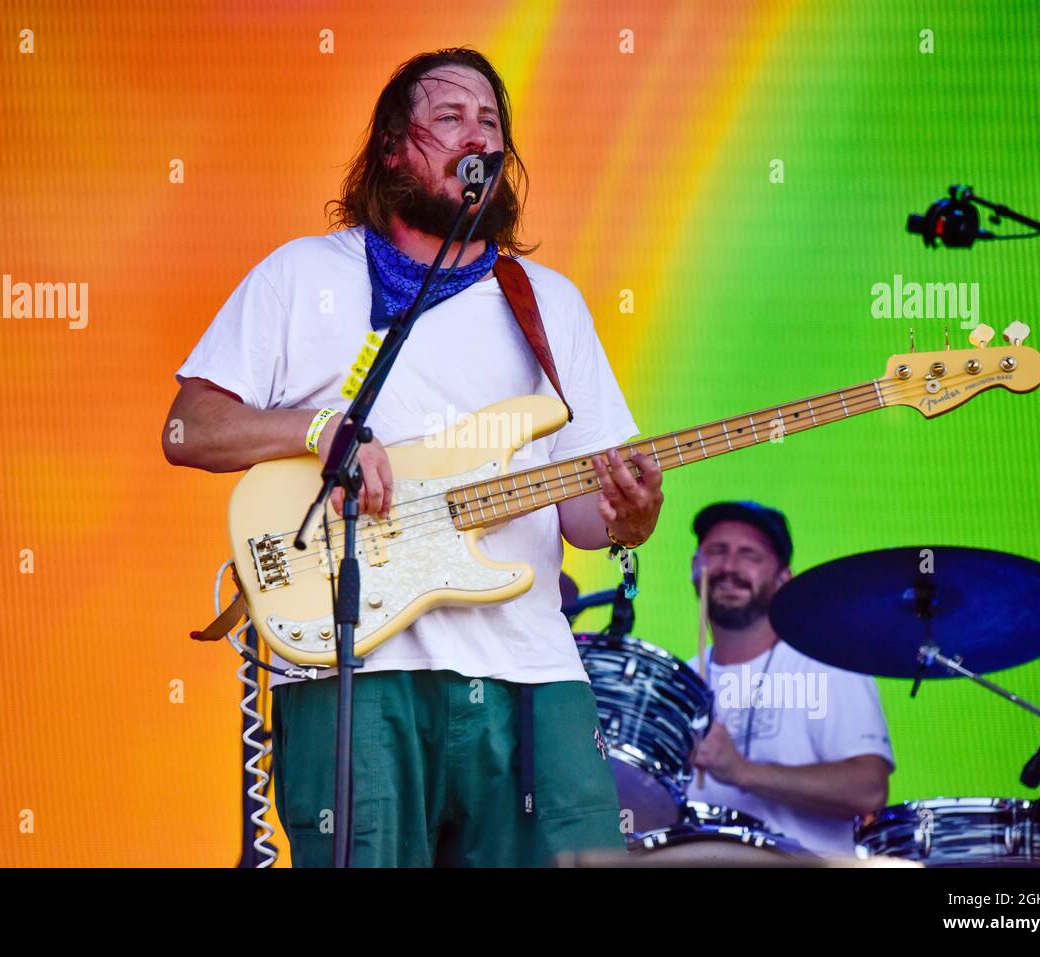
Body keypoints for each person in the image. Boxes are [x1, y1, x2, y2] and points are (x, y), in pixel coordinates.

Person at [163, 47, 664, 866]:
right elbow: (188, 428)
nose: (478, 137)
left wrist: (629, 517)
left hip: (529, 673)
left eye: (492, 123)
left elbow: (585, 514)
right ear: (394, 147)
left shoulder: (549, 303)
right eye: (450, 118)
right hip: (349, 668)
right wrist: (318, 429)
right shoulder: (301, 275)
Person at [686, 501, 893, 857]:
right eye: (716, 551)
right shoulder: (683, 681)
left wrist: (742, 771)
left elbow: (869, 790)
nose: (729, 566)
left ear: (785, 578)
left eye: (749, 555)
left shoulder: (826, 664)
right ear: (694, 568)